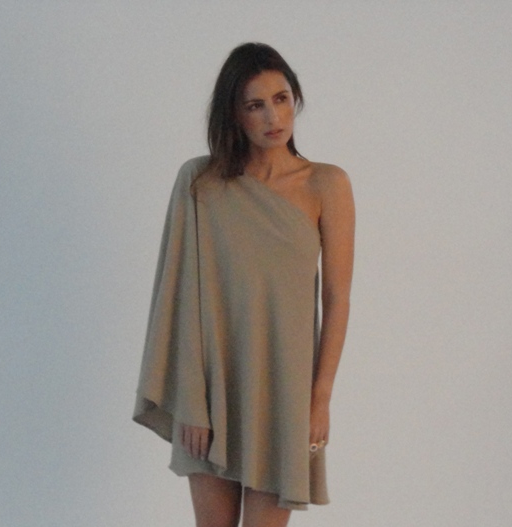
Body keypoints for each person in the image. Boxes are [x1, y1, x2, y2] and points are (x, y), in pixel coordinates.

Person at [133, 42, 354, 527]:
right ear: (233, 113)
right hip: (211, 392)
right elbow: (180, 298)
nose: (273, 116)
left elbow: (337, 300)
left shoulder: (326, 184)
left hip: (283, 393)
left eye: (281, 98)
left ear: (295, 98)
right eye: (255, 105)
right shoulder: (200, 182)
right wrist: (192, 401)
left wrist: (319, 400)